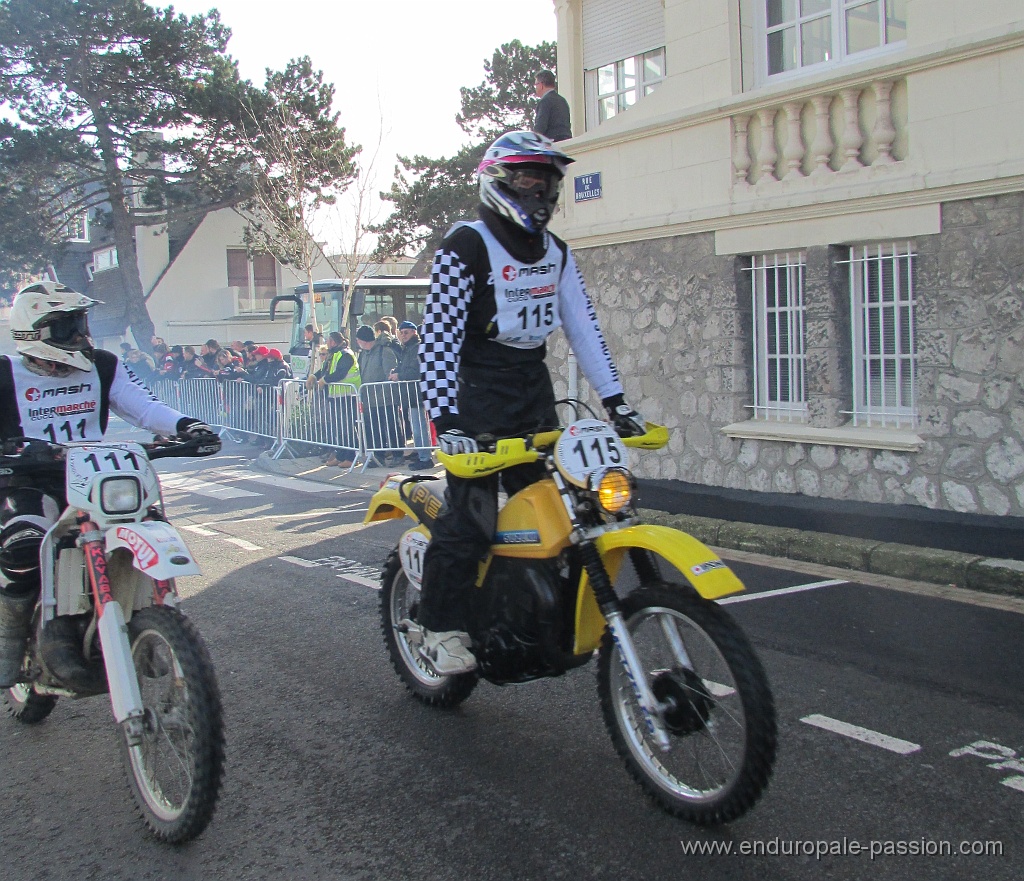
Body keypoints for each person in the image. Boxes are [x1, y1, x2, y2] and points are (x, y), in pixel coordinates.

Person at [414, 130, 645, 675]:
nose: (539, 192)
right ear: (500, 182)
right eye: (527, 181)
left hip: (531, 386)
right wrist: (446, 419)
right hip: (475, 390)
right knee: (474, 517)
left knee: (561, 510)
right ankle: (439, 626)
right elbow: (439, 338)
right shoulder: (465, 244)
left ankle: (524, 612)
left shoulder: (555, 251)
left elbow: (584, 328)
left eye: (546, 182)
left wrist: (617, 404)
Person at [0, 281, 219, 687]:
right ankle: (9, 639)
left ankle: (145, 620)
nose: (82, 336)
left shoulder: (103, 364)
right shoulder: (3, 373)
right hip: (29, 478)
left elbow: (145, 407)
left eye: (81, 323)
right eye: (68, 328)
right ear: (35, 334)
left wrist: (188, 425)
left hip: (94, 476)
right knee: (24, 543)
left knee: (149, 518)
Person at [309, 331, 360, 467]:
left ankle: (350, 457)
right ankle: (341, 455)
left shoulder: (346, 354)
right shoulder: (334, 355)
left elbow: (340, 373)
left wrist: (324, 380)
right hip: (336, 396)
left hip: (348, 396)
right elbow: (325, 370)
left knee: (348, 428)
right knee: (339, 428)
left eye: (329, 341)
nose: (327, 343)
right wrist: (314, 376)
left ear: (334, 341)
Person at [354, 324, 401, 467]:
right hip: (370, 398)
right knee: (374, 428)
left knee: (391, 426)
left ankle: (398, 454)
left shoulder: (384, 351)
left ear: (363, 340)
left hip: (386, 397)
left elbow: (390, 373)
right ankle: (377, 456)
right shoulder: (364, 354)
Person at [394, 321, 433, 470]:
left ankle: (425, 458)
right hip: (411, 393)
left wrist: (399, 375)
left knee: (419, 427)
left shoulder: (416, 348)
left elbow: (415, 371)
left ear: (414, 333)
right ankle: (420, 453)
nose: (403, 335)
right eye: (401, 332)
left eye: (406, 332)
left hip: (417, 393)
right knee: (416, 426)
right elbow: (406, 367)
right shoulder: (408, 348)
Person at [532, 70, 571, 142]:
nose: (535, 88)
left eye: (536, 85)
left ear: (541, 85)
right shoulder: (562, 100)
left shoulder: (545, 101)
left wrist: (533, 140)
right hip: (566, 141)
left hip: (551, 144)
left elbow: (540, 127)